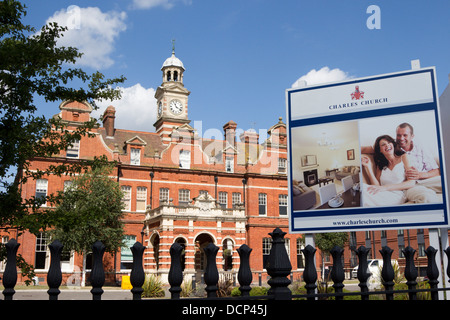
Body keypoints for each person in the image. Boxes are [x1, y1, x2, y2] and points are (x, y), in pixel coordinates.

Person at [361, 135, 416, 206]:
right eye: (383, 145)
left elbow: (411, 183)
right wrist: (368, 167)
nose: (387, 145)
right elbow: (376, 186)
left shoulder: (404, 157)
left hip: (397, 196)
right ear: (380, 150)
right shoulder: (380, 165)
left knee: (363, 196)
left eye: (389, 142)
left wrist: (385, 188)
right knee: (362, 187)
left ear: (393, 144)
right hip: (382, 193)